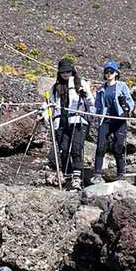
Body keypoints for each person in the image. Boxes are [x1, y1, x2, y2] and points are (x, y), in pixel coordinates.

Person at [46, 58, 93, 188]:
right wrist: (44, 115)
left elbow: (91, 102)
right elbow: (50, 104)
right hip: (61, 121)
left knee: (76, 148)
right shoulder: (55, 88)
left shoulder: (81, 83)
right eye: (63, 72)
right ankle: (68, 175)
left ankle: (77, 178)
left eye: (68, 71)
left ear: (72, 71)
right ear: (59, 73)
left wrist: (84, 94)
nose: (65, 74)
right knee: (64, 149)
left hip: (78, 120)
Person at [91, 60, 136, 181]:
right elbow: (97, 105)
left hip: (119, 119)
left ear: (116, 73)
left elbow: (130, 101)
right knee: (101, 146)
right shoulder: (101, 89)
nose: (108, 74)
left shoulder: (122, 86)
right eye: (106, 72)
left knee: (118, 147)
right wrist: (93, 114)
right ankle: (97, 174)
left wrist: (127, 110)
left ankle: (121, 173)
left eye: (111, 72)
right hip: (105, 119)